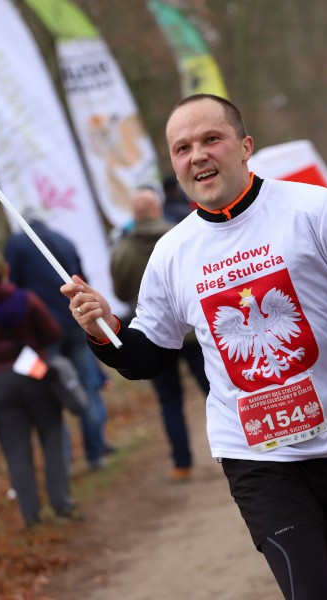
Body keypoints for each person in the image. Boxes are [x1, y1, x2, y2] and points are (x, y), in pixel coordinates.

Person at [61, 94, 327, 599]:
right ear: (174, 164)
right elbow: (146, 356)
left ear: (246, 145)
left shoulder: (312, 208)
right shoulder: (172, 253)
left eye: (212, 139)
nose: (198, 155)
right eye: (182, 148)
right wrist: (101, 328)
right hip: (258, 455)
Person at [0, 250, 78, 527]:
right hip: (35, 375)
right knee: (52, 440)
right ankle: (61, 504)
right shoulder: (28, 301)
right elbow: (53, 333)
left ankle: (30, 515)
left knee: (16, 450)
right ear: (6, 270)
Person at [110, 188, 210, 480]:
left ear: (134, 215)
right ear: (157, 209)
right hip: (192, 332)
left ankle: (181, 463)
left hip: (153, 336)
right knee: (215, 391)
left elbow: (119, 292)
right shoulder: (182, 237)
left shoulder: (123, 252)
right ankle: (241, 446)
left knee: (169, 400)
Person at [4, 212, 112, 469]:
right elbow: (82, 280)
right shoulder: (64, 240)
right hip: (76, 322)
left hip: (43, 331)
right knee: (85, 387)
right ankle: (96, 454)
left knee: (53, 394)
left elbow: (14, 290)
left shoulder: (16, 245)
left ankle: (64, 460)